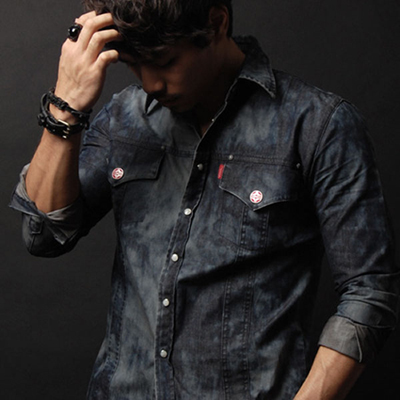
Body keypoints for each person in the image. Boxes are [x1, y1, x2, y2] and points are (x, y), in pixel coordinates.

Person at [10, 0, 399, 399]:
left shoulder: (318, 125)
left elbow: (369, 294)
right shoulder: (124, 117)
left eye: (164, 61)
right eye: (134, 64)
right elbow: (44, 234)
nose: (151, 83)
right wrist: (66, 107)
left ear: (216, 23)